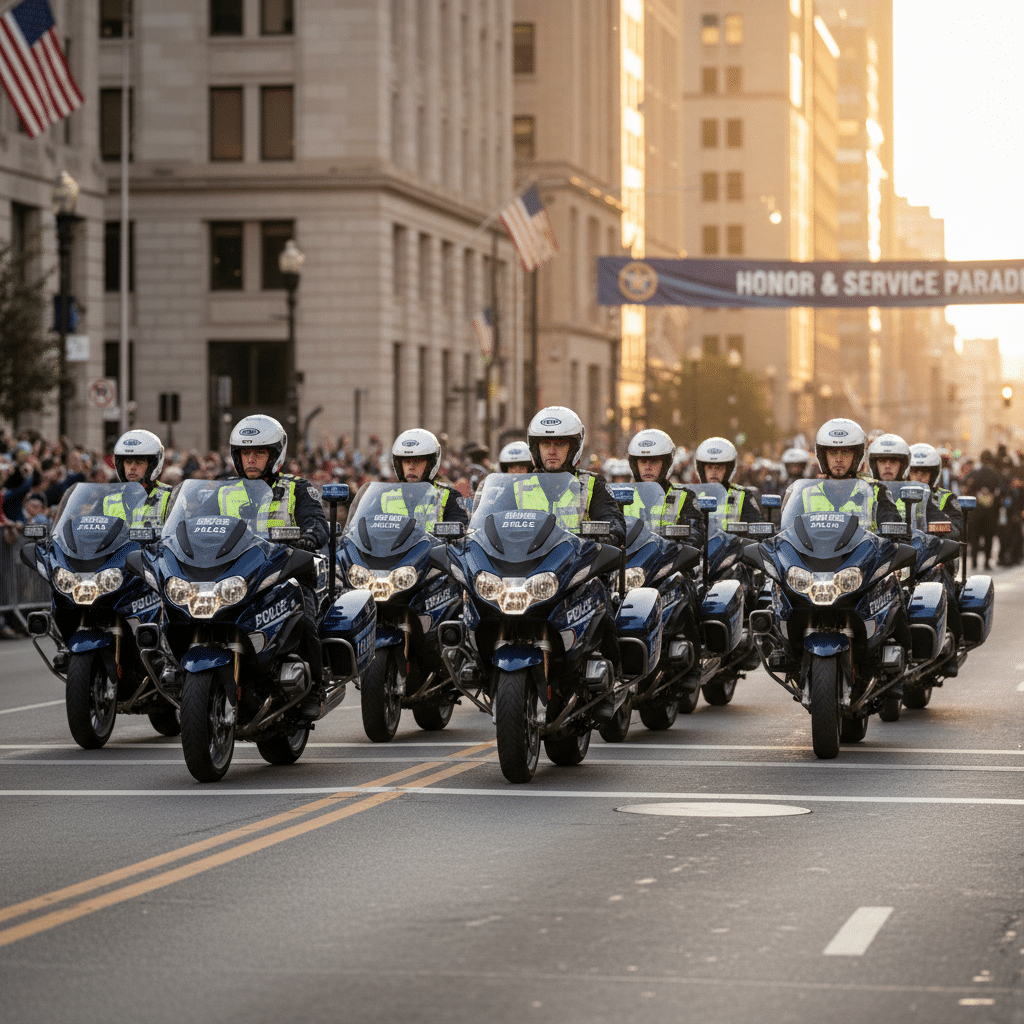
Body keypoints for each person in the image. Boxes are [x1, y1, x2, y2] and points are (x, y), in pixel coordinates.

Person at [227, 414, 329, 719]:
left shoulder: (297, 488)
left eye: (259, 453)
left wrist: (310, 537)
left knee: (305, 619)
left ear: (275, 455)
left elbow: (317, 522)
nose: (252, 459)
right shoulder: (222, 492)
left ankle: (316, 687)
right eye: (246, 453)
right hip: (239, 574)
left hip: (287, 571)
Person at [524, 406, 625, 546]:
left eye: (559, 444)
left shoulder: (592, 484)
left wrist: (592, 540)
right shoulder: (518, 486)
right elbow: (486, 528)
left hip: (576, 564)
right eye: (546, 444)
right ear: (536, 448)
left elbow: (615, 527)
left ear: (572, 448)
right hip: (528, 565)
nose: (552, 451)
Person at [625, 428, 705, 548]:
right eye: (643, 461)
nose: (647, 467)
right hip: (628, 564)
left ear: (665, 464)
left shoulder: (685, 497)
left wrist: (680, 548)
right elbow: (610, 531)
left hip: (669, 563)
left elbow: (695, 533)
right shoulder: (621, 497)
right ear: (635, 465)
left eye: (654, 461)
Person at [386, 429, 468, 524]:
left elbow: (460, 525)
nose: (411, 467)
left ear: (430, 464)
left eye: (417, 461)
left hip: (432, 539)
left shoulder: (448, 495)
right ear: (399, 466)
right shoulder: (385, 496)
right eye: (407, 462)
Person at [103, 429, 174, 525]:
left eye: (139, 462)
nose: (132, 468)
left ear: (151, 466)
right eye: (128, 462)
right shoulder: (110, 500)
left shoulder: (169, 496)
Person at [693, 437, 763, 523]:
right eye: (709, 468)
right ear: (702, 470)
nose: (714, 472)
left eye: (719, 468)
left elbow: (756, 526)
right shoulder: (692, 497)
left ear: (728, 470)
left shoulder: (742, 496)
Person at [907, 443, 964, 540]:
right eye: (914, 472)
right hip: (902, 551)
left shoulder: (947, 498)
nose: (918, 478)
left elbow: (957, 532)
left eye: (924, 474)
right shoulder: (895, 496)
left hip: (934, 551)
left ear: (933, 476)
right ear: (907, 474)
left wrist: (925, 502)